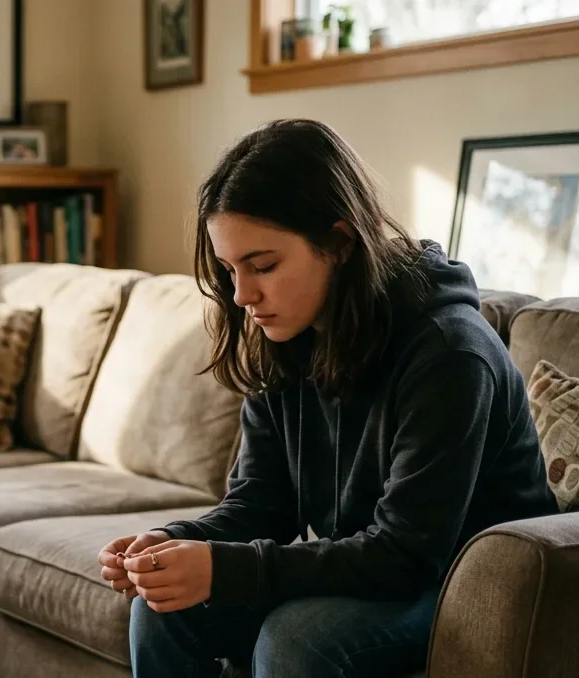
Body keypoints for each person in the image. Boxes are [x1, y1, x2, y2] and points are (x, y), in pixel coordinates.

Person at [99, 119, 556, 677]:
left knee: (297, 640)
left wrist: (223, 569)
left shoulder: (450, 354)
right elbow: (262, 502)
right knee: (162, 609)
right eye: (229, 269)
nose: (243, 295)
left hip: (457, 584)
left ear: (339, 243)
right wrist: (172, 545)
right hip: (381, 566)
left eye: (263, 266)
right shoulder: (289, 335)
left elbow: (406, 554)